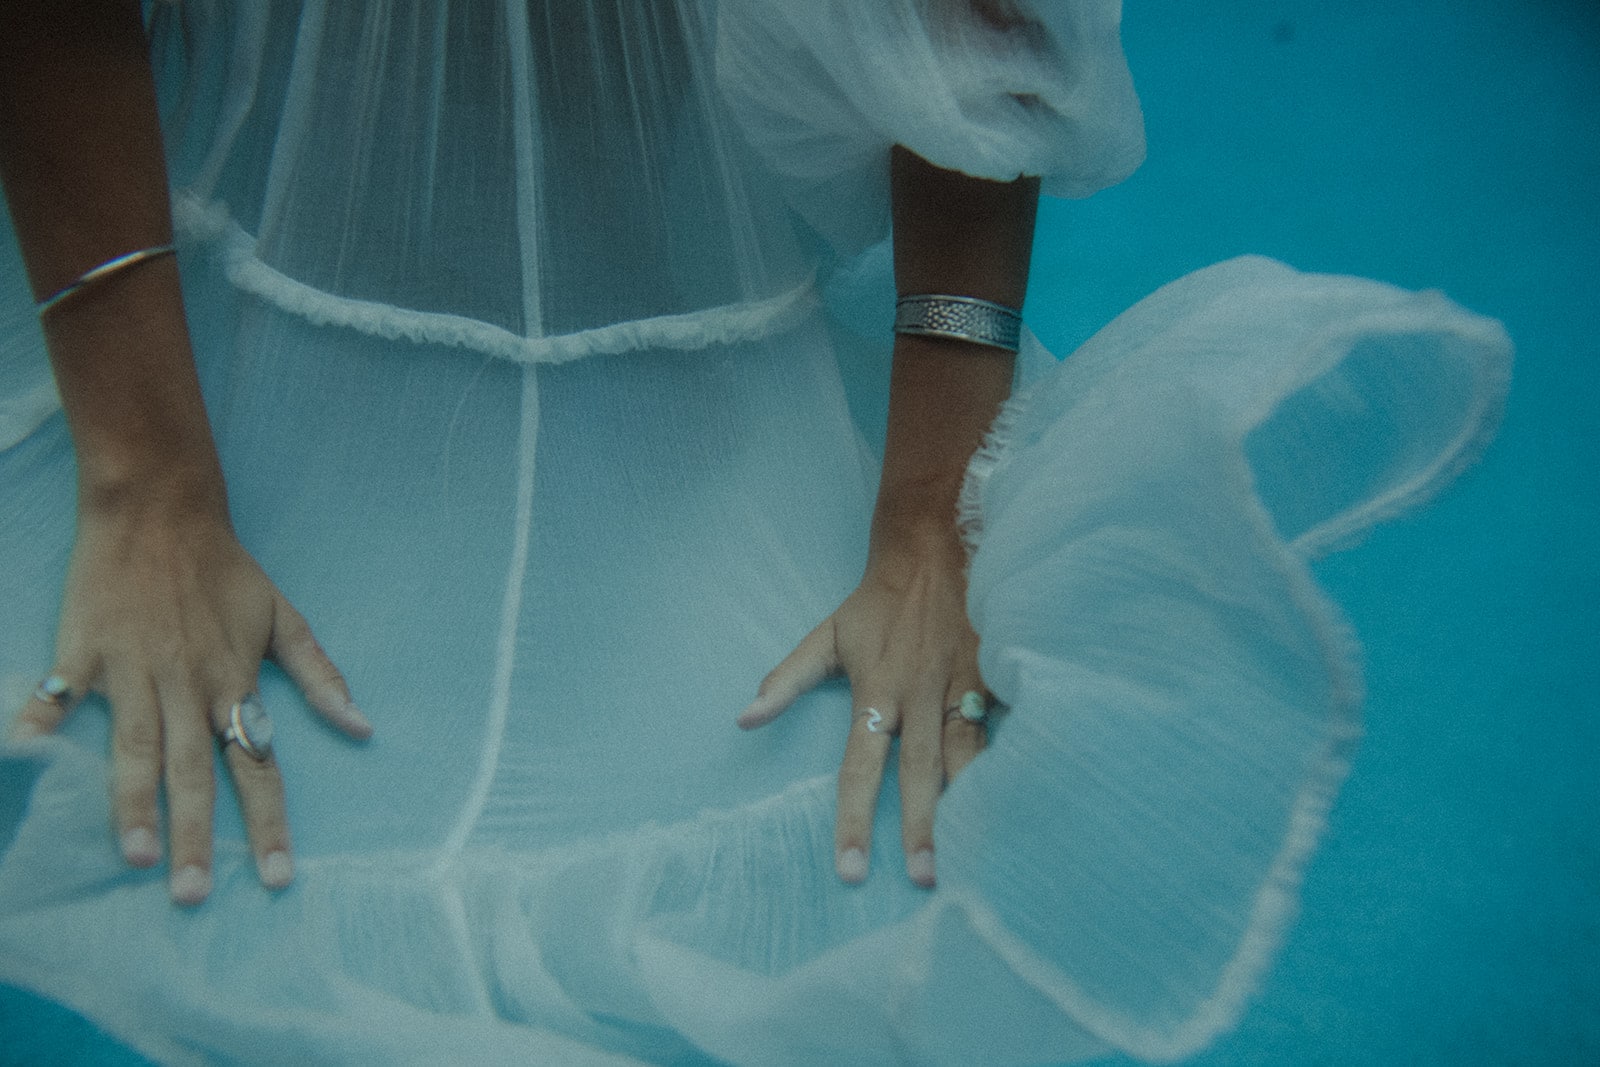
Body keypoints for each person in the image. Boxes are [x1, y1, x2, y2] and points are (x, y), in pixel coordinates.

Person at [0, 2, 1510, 1064]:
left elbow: (976, 13)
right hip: (191, 282)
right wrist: (148, 479)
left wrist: (931, 510)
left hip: (689, 337)